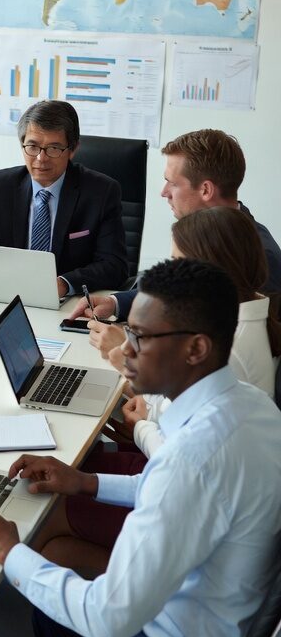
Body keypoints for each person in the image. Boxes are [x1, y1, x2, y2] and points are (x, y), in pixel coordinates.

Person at [0, 258, 281, 637]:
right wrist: (84, 482)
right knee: (48, 614)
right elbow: (185, 494)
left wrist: (7, 551)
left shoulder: (191, 459)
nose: (127, 349)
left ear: (196, 348)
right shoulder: (251, 407)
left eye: (140, 337)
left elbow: (108, 618)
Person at [34, 205, 281, 577]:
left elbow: (179, 465)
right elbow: (175, 465)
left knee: (42, 526)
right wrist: (86, 481)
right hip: (182, 499)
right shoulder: (238, 336)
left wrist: (141, 424)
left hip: (187, 547)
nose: (170, 272)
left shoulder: (232, 354)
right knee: (60, 510)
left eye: (178, 262)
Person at [70, 128, 281, 355]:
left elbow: (212, 357)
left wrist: (130, 351)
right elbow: (174, 292)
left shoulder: (256, 255)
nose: (164, 192)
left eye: (172, 183)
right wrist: (115, 303)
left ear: (206, 190)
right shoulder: (203, 235)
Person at [0, 100, 128, 297]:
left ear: (72, 149)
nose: (41, 159)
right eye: (32, 146)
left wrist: (63, 283)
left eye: (53, 148)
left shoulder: (101, 192)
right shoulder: (1, 186)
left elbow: (115, 265)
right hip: (8, 297)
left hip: (67, 303)